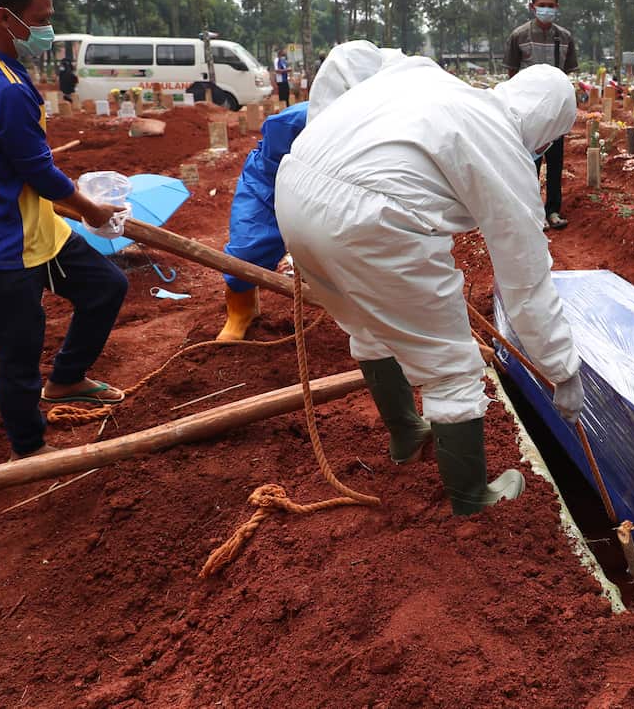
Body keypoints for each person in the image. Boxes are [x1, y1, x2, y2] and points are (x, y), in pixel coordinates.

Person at [275, 60, 584, 515]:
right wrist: (564, 369)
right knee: (451, 367)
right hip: (372, 221)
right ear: (549, 130)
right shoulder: (500, 140)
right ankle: (473, 500)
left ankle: (406, 435)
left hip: (295, 190)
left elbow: (348, 58)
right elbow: (526, 281)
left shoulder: (429, 80)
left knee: (368, 326)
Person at [0, 0, 129, 459]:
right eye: (40, 19)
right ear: (5, 17)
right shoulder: (8, 89)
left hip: (36, 229)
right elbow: (42, 177)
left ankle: (66, 381)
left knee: (106, 287)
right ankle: (30, 450)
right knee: (17, 357)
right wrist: (92, 210)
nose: (47, 29)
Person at [216, 41, 403, 341]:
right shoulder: (293, 121)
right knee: (249, 246)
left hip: (346, 188)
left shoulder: (391, 125)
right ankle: (241, 308)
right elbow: (275, 165)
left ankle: (384, 311)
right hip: (271, 179)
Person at [504, 0, 578, 230]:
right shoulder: (519, 36)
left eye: (551, 6)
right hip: (528, 114)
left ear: (557, 7)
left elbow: (566, 76)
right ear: (532, 6)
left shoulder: (565, 38)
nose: (546, 9)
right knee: (528, 164)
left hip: (555, 112)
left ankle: (553, 211)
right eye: (542, 6)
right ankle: (532, 211)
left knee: (555, 162)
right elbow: (512, 76)